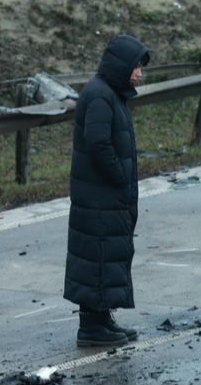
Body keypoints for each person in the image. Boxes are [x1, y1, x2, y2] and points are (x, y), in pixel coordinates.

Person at [64, 34, 150, 347]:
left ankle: (101, 320)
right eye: (135, 67)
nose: (138, 73)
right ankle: (92, 328)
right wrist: (119, 175)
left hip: (102, 196)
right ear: (120, 66)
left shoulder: (108, 93)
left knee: (101, 258)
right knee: (98, 257)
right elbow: (98, 143)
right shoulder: (100, 95)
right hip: (100, 196)